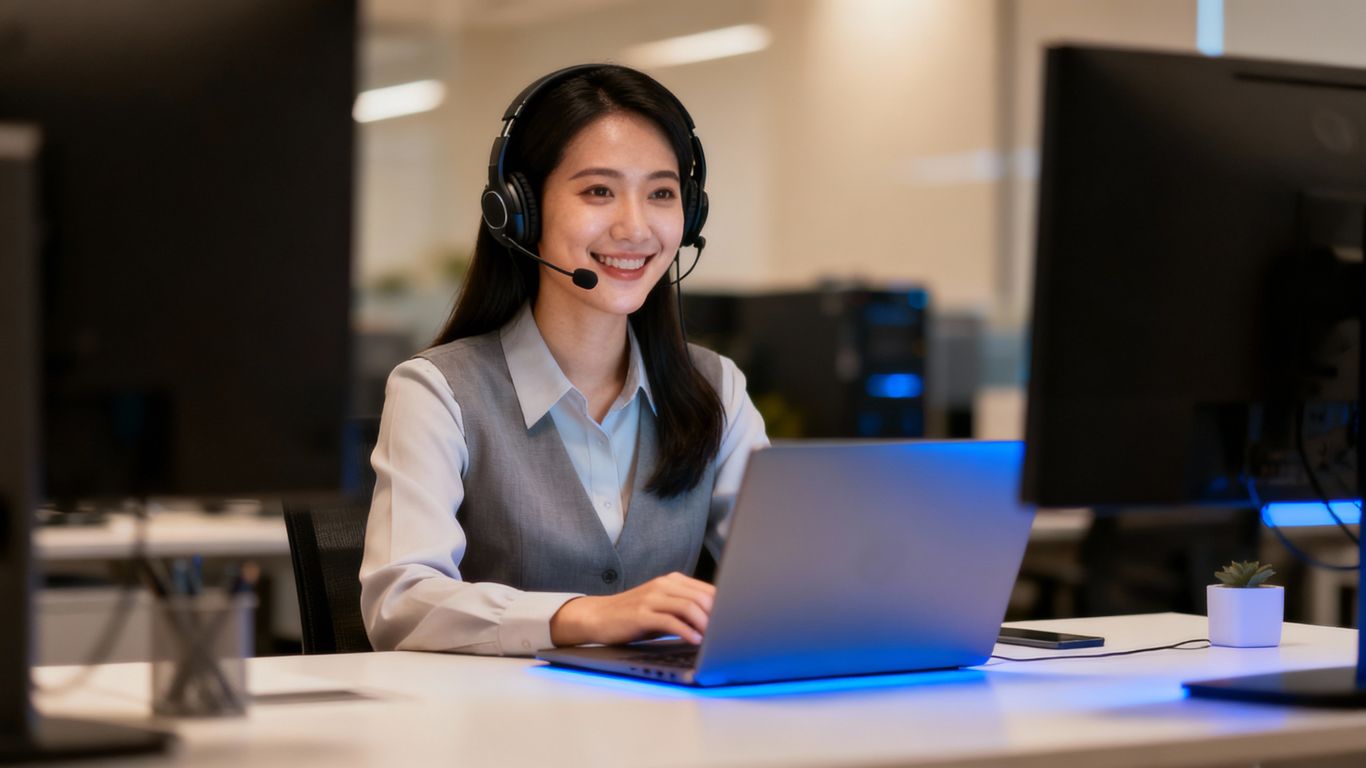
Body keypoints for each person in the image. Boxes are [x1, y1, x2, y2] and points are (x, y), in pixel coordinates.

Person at [359, 64, 770, 656]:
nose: (635, 227)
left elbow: (784, 578)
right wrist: (583, 616)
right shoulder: (439, 391)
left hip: (670, 712)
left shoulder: (715, 387)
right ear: (520, 210)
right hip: (493, 714)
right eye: (599, 191)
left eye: (661, 193)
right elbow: (399, 603)